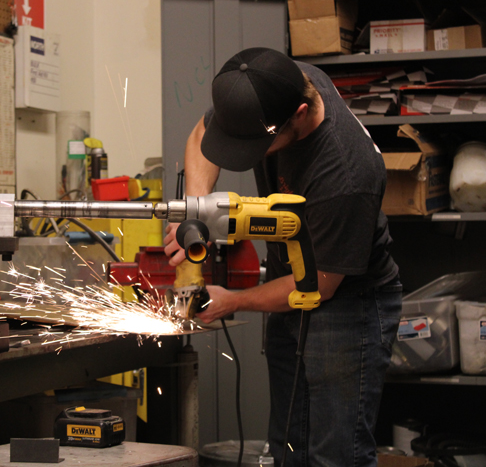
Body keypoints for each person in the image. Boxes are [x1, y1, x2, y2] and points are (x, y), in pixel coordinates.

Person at [164, 47, 402, 467]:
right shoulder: (274, 83)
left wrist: (235, 300)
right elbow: (204, 135)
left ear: (300, 113)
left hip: (346, 303)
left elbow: (319, 286)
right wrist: (196, 211)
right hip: (292, 286)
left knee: (335, 456)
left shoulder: (348, 175)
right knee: (289, 449)